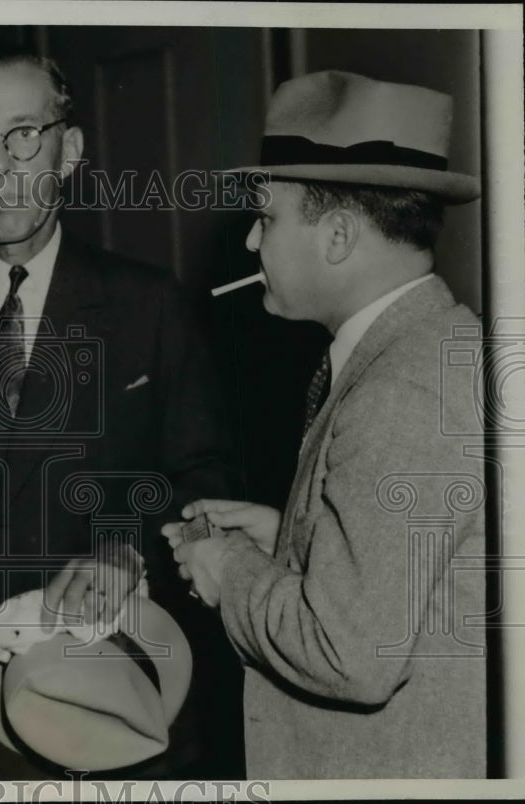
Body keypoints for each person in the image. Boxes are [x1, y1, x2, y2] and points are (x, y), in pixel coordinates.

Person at [0, 47, 237, 780]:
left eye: (24, 134)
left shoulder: (150, 306)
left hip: (110, 695)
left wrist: (127, 547)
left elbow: (210, 477)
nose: (0, 165)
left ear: (69, 148)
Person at [165, 70, 486, 778]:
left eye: (267, 218)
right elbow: (408, 582)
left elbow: (353, 656)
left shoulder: (402, 391)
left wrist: (231, 569)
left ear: (337, 236)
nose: (251, 243)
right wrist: (289, 538)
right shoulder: (426, 350)